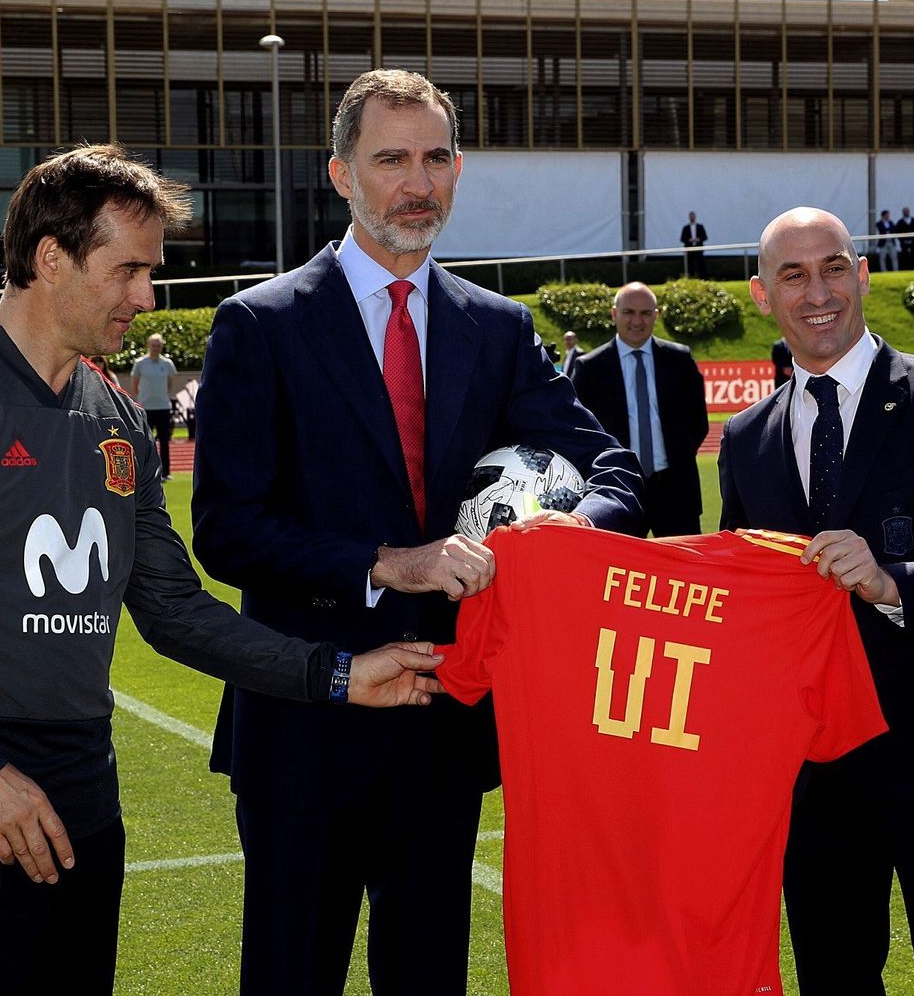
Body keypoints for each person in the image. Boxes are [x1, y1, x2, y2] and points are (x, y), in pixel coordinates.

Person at [0, 144, 444, 996]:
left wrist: (337, 673)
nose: (146, 297)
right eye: (128, 271)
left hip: (84, 801)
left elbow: (176, 609)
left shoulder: (114, 415)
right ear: (49, 258)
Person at [191, 68, 644, 996]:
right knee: (291, 973)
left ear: (459, 169)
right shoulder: (260, 324)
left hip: (447, 719)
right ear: (341, 173)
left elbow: (618, 477)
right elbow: (227, 529)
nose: (417, 181)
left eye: (436, 158)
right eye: (390, 158)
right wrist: (388, 565)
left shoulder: (499, 329)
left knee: (429, 974)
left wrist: (545, 538)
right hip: (306, 720)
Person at [718, 207, 914, 996]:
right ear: (762, 295)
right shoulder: (747, 437)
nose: (816, 290)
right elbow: (739, 592)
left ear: (862, 275)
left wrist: (892, 580)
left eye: (832, 267)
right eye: (792, 274)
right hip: (813, 768)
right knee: (833, 977)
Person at [571, 282, 709, 537]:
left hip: (676, 491)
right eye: (629, 312)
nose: (637, 320)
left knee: (681, 571)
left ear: (656, 316)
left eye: (646, 313)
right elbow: (580, 431)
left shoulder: (679, 359)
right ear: (614, 314)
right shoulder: (589, 368)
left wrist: (677, 458)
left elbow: (698, 422)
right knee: (618, 573)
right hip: (618, 490)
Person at [130, 332, 177, 480]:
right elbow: (135, 384)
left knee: (164, 441)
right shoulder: (140, 363)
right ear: (148, 345)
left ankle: (166, 472)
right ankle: (146, 473)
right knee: (146, 442)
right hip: (146, 408)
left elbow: (169, 384)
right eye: (153, 345)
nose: (156, 347)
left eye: (159, 345)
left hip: (163, 407)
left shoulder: (167, 364)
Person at [680, 210, 709, 277]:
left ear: (695, 217)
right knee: (690, 266)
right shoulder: (686, 228)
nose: (692, 218)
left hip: (699, 249)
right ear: (689, 218)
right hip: (690, 249)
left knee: (700, 265)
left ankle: (702, 278)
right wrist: (689, 240)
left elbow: (705, 237)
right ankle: (691, 278)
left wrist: (698, 239)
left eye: (693, 217)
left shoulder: (700, 226)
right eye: (690, 217)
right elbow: (682, 239)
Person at [895, 205, 914, 269]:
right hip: (904, 243)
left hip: (913, 242)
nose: (906, 213)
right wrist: (903, 240)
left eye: (907, 211)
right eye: (905, 212)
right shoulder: (900, 222)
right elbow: (897, 232)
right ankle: (905, 268)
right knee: (905, 257)